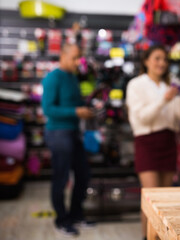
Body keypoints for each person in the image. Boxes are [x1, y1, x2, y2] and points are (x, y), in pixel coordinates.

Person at [126, 45, 180, 239]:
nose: (162, 63)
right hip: (147, 142)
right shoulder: (136, 85)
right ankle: (147, 237)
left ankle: (158, 236)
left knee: (164, 198)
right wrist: (164, 100)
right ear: (146, 61)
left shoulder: (168, 87)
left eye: (164, 59)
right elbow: (141, 118)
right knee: (151, 197)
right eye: (157, 58)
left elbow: (179, 119)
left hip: (168, 142)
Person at [42, 43, 95, 237]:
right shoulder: (52, 78)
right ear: (62, 56)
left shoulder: (73, 78)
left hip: (73, 132)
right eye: (74, 58)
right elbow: (48, 109)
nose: (77, 62)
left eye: (79, 58)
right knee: (61, 177)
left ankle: (75, 215)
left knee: (83, 174)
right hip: (57, 133)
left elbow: (75, 102)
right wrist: (75, 111)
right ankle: (62, 220)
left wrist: (86, 107)